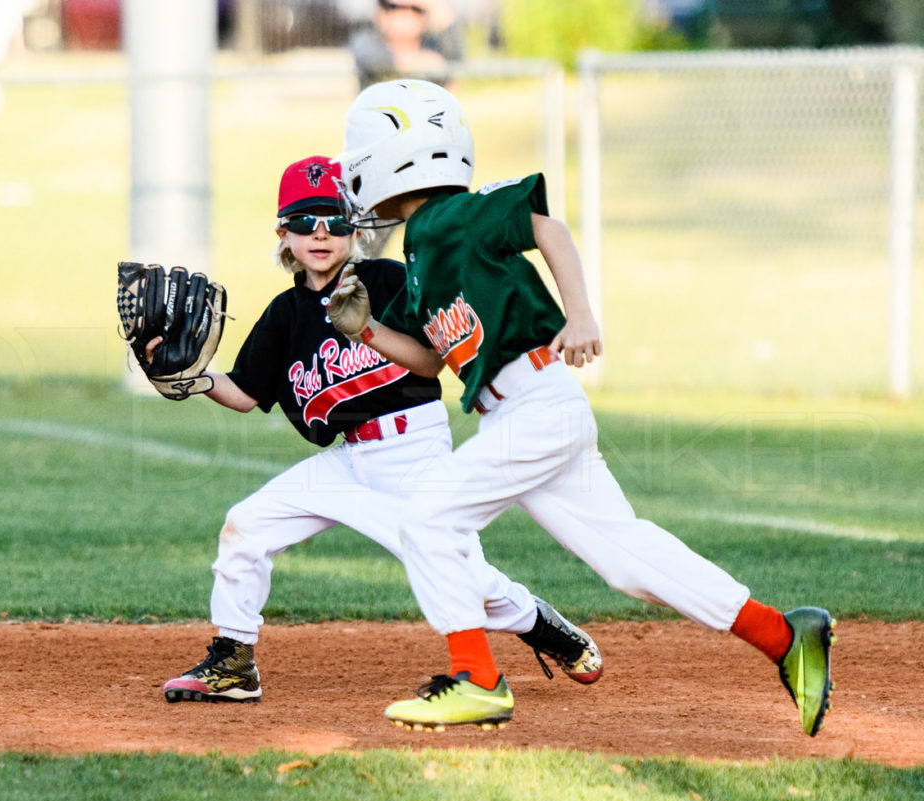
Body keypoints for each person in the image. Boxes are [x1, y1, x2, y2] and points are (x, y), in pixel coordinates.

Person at [328, 80, 836, 735]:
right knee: (627, 559)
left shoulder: (454, 216)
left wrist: (582, 314)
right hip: (524, 413)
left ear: (393, 157)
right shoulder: (422, 245)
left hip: (536, 400)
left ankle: (476, 678)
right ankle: (785, 636)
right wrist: (365, 330)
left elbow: (546, 225)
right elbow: (429, 359)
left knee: (428, 517)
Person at [155, 154, 604, 708]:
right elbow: (246, 393)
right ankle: (233, 663)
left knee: (460, 574)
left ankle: (535, 621)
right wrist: (190, 377)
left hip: (414, 447)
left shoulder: (389, 279)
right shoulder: (283, 315)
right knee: (246, 526)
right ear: (283, 234)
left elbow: (433, 356)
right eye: (305, 221)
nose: (321, 234)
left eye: (335, 219)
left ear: (356, 227)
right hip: (349, 460)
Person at [349, 0, 464, 90]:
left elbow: (457, 65)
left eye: (416, 9)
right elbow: (370, 58)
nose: (407, 13)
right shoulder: (368, 40)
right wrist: (421, 62)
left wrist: (439, 8)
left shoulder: (432, 44)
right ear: (382, 13)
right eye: (395, 7)